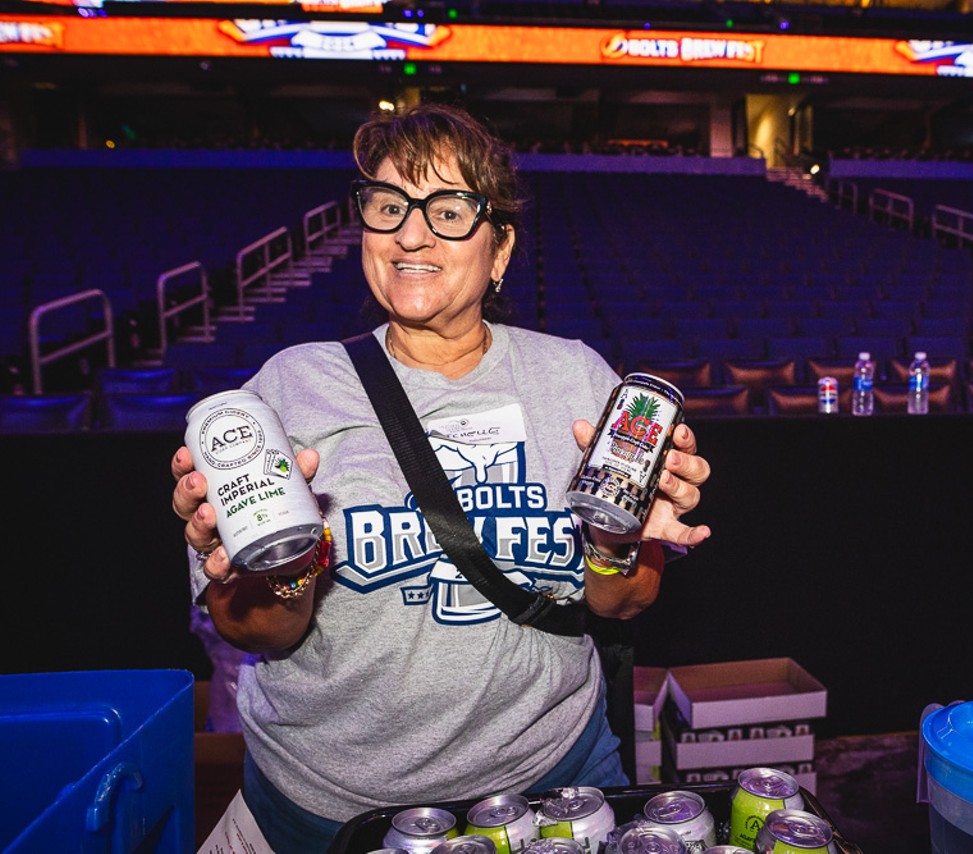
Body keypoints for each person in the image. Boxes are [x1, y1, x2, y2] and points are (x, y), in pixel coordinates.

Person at [170, 101, 712, 852]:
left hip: (549, 791)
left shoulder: (577, 379)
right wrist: (283, 568)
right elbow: (257, 629)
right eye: (389, 205)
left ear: (500, 249)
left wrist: (620, 536)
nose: (411, 232)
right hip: (324, 809)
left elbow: (622, 600)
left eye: (449, 208)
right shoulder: (287, 390)